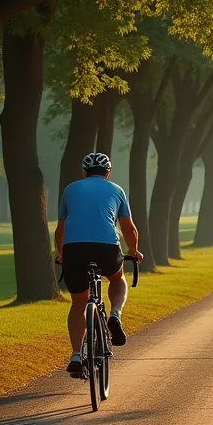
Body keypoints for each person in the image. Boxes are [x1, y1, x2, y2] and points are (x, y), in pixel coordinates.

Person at [55, 152, 143, 377]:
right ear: (107, 173)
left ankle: (76, 354)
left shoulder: (70, 189)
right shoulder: (117, 190)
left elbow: (60, 228)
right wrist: (133, 251)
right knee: (117, 278)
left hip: (74, 248)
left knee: (78, 304)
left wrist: (62, 253)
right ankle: (115, 314)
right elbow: (129, 228)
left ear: (84, 172)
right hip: (106, 247)